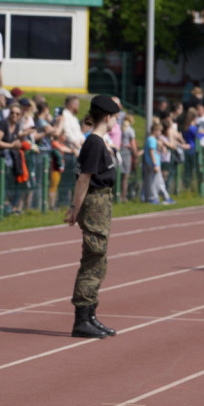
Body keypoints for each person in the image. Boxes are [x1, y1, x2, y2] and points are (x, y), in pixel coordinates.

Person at [65, 95, 121, 339]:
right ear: (107, 117)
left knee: (98, 261)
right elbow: (83, 180)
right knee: (93, 258)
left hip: (101, 203)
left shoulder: (98, 142)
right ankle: (82, 319)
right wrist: (75, 210)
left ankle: (90, 316)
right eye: (115, 118)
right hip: (95, 203)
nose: (116, 122)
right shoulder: (95, 143)